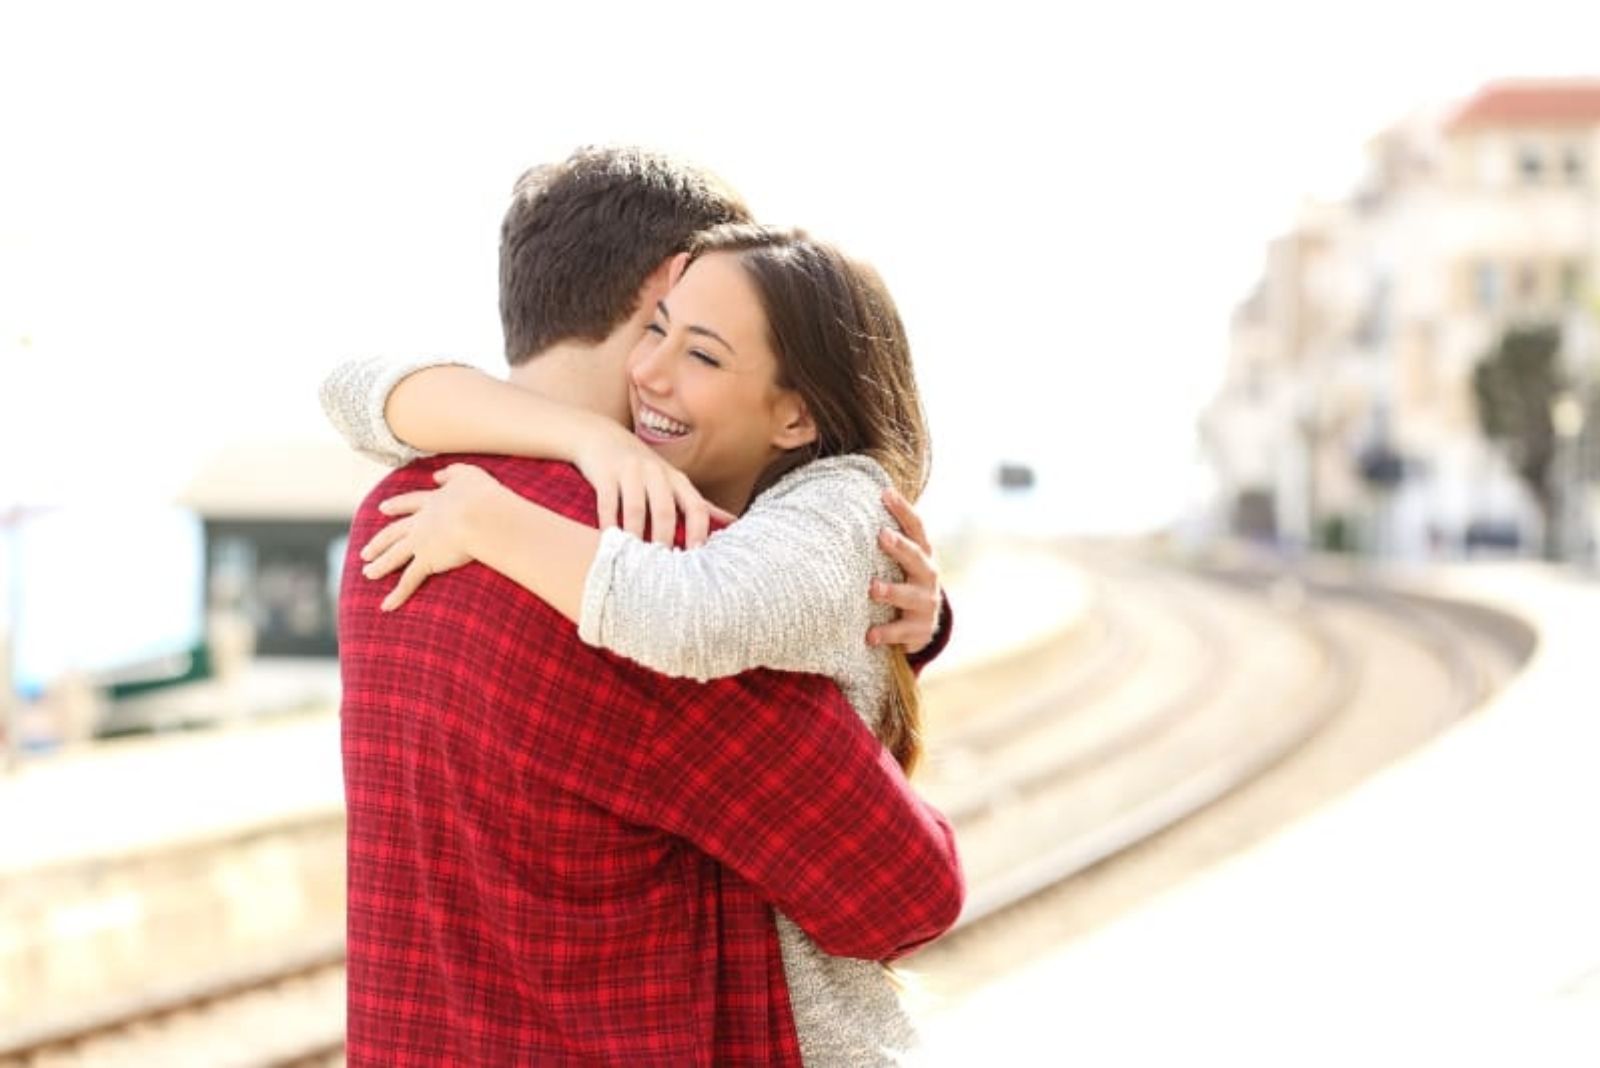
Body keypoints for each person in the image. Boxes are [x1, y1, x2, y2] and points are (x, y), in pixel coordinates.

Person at [332, 147, 964, 1067]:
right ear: (667, 285)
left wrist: (916, 622)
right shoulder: (644, 564)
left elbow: (357, 389)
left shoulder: (397, 513)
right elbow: (900, 893)